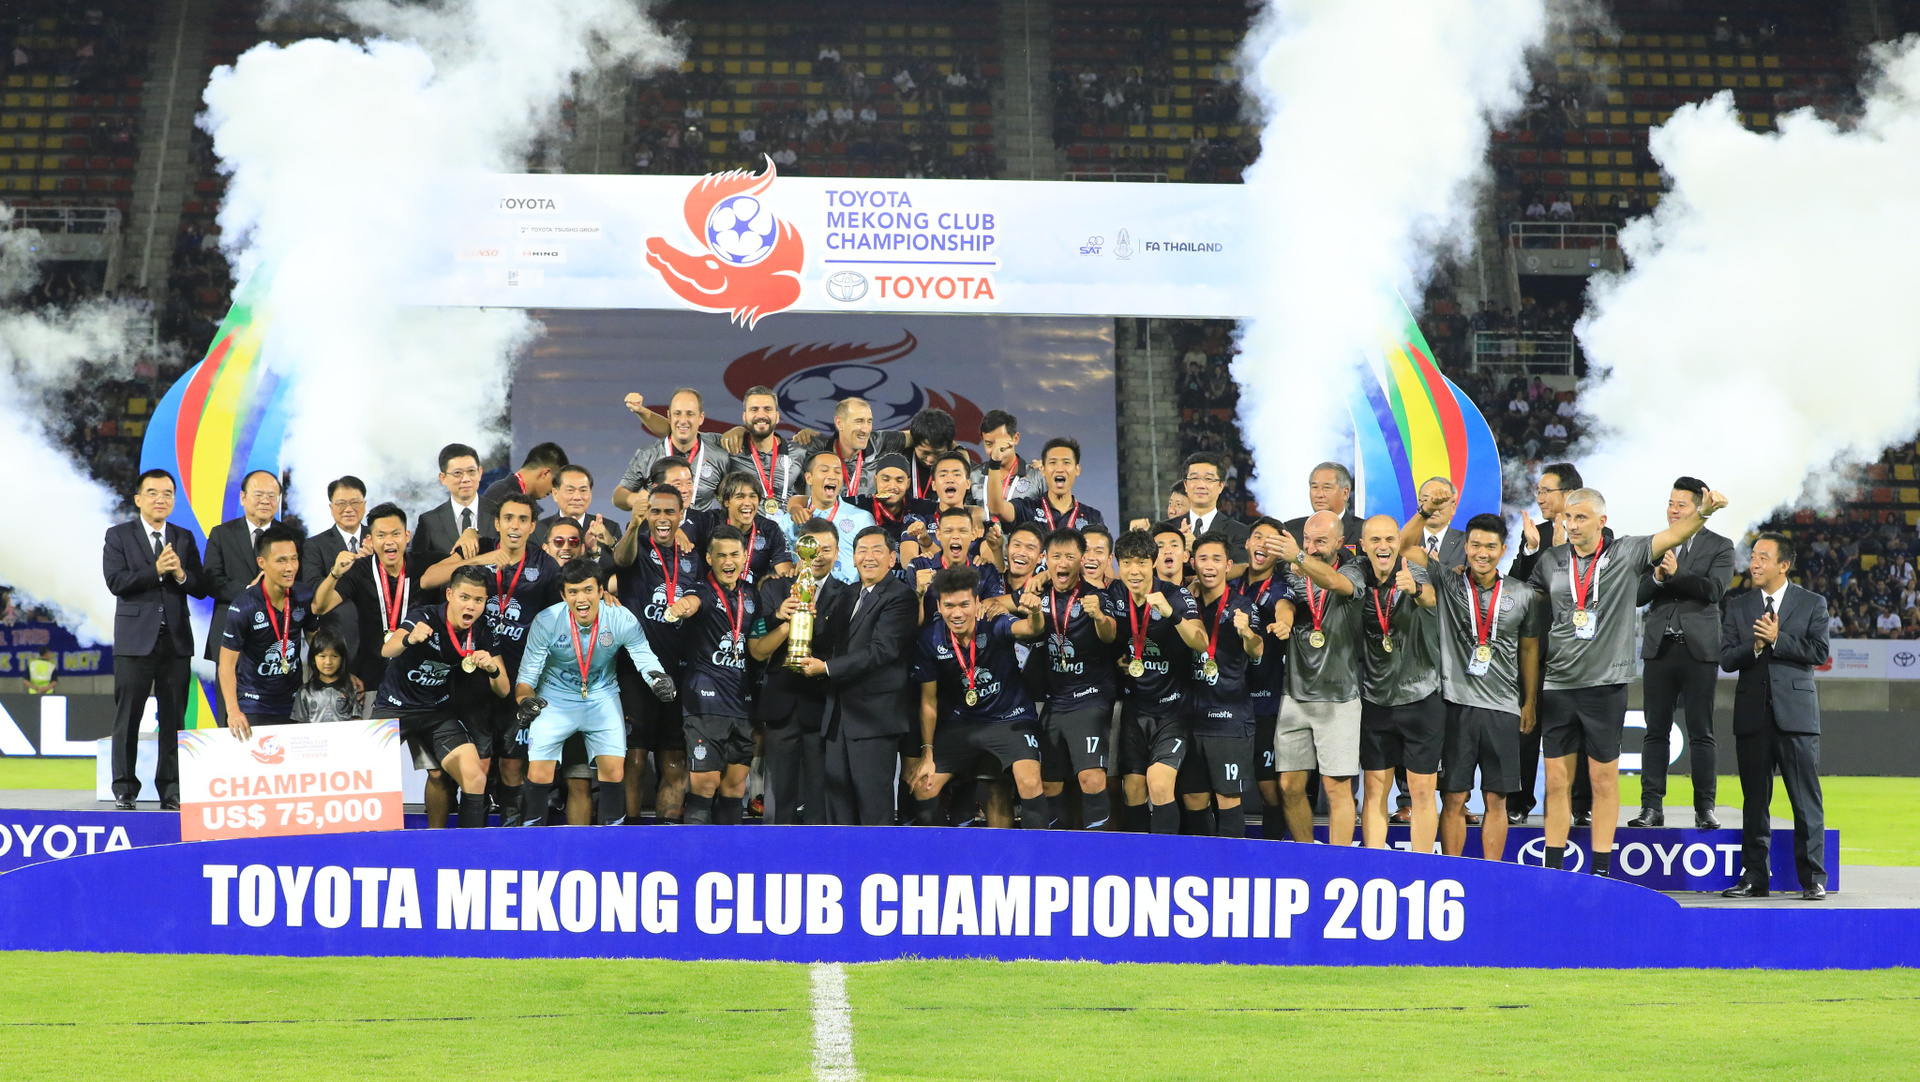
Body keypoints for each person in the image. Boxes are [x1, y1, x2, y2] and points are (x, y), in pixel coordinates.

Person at [1527, 485, 1726, 876]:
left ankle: (1601, 870)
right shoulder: (1551, 560)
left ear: (1602, 521)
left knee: (1603, 780)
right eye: (1569, 517)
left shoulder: (1626, 552)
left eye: (1581, 517)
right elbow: (1524, 600)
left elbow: (1673, 534)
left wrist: (1704, 512)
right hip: (1559, 685)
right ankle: (1552, 871)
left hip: (1605, 687)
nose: (1573, 525)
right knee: (1556, 782)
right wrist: (1528, 551)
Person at [1401, 507, 1540, 862]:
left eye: (1491, 547)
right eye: (1475, 545)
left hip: (1503, 707)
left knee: (1497, 798)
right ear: (1465, 546)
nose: (1482, 553)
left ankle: (1491, 875)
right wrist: (1424, 511)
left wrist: (1529, 702)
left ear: (1503, 549)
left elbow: (1529, 650)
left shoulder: (1522, 594)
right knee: (1453, 797)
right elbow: (1404, 546)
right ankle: (1454, 872)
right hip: (1455, 704)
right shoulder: (1448, 582)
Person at [423, 492, 563, 826]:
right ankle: (472, 841)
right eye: (508, 518)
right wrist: (484, 557)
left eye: (523, 520)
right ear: (497, 523)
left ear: (533, 526)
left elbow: (563, 610)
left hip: (518, 680)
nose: (515, 526)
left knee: (513, 766)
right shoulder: (478, 547)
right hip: (470, 680)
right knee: (478, 766)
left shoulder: (545, 566)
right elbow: (429, 579)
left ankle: (511, 838)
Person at [513, 558, 675, 827]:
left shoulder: (620, 618)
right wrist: (526, 701)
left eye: (588, 590)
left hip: (602, 697)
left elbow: (644, 656)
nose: (581, 599)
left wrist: (659, 679)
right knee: (539, 771)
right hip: (554, 700)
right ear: (563, 595)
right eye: (573, 592)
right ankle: (531, 843)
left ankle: (610, 843)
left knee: (613, 769)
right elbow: (527, 678)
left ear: (601, 590)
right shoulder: (547, 621)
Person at [312, 502, 445, 821]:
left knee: (438, 771)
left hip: (421, 686)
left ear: (407, 536)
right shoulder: (360, 571)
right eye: (381, 535)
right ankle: (371, 839)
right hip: (375, 683)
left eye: (396, 533)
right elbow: (319, 606)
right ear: (370, 540)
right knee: (370, 770)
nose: (389, 541)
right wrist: (334, 573)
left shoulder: (425, 565)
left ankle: (438, 838)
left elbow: (459, 563)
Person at [1720, 533, 1829, 900]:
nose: (1755, 563)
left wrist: (1778, 639)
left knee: (1805, 800)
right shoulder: (1738, 606)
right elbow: (1726, 658)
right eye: (1753, 556)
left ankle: (1813, 878)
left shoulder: (1812, 603)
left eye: (1763, 557)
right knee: (1754, 802)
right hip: (1752, 717)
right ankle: (1754, 877)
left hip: (1796, 716)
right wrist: (1754, 646)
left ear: (1784, 565)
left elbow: (1819, 651)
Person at [908, 566, 1050, 829]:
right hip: (963, 723)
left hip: (1010, 718)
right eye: (949, 606)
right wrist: (927, 752)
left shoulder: (993, 621)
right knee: (923, 787)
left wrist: (1035, 612)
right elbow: (929, 701)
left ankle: (1037, 852)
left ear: (976, 602)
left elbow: (1031, 629)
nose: (957, 613)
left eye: (964, 604)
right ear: (938, 606)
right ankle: (940, 852)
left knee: (1030, 782)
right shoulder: (931, 638)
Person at [794, 526, 917, 824]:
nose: (868, 557)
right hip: (837, 716)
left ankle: (877, 857)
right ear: (853, 558)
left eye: (877, 550)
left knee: (873, 809)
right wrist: (803, 617)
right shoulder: (848, 594)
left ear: (892, 559)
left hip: (874, 719)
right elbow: (831, 643)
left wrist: (826, 668)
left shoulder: (901, 596)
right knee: (838, 810)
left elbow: (882, 651)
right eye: (862, 550)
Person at [374, 565, 511, 828]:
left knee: (474, 776)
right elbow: (386, 650)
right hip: (393, 708)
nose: (471, 606)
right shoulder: (425, 616)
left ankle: (464, 847)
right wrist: (409, 639)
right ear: (449, 594)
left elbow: (503, 689)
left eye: (478, 600)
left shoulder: (482, 629)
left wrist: (492, 669)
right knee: (369, 773)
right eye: (464, 597)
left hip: (436, 712)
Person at [1633, 476, 1734, 829]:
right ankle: (1651, 807)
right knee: (1655, 731)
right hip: (1659, 649)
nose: (1673, 511)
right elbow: (1637, 596)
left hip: (1699, 651)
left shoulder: (1720, 546)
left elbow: (1715, 590)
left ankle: (1705, 808)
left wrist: (1677, 574)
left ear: (1699, 507)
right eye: (1670, 504)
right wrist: (1658, 579)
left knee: (1701, 732)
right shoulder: (1655, 544)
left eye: (1681, 505)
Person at [103, 468, 206, 810]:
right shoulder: (118, 535)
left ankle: (171, 788)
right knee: (128, 717)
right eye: (152, 493)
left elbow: (200, 586)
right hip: (135, 641)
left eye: (167, 494)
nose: (160, 499)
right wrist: (156, 571)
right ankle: (124, 787)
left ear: (174, 500)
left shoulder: (184, 537)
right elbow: (115, 582)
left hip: (176, 641)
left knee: (174, 720)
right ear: (138, 499)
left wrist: (181, 574)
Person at [1337, 515, 1440, 853]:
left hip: (1421, 697)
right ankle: (1373, 864)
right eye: (1375, 540)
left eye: (1390, 539)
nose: (1383, 546)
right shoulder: (1356, 570)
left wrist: (1415, 589)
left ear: (1399, 542)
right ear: (1363, 545)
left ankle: (1423, 867)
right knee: (1374, 788)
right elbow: (1340, 584)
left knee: (1422, 790)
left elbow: (1430, 598)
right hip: (1375, 699)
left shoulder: (1414, 570)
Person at [1271, 511, 1367, 846]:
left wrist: (1298, 556)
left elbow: (1336, 583)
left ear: (1340, 542)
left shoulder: (1355, 568)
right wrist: (1283, 619)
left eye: (1320, 541)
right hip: (1295, 694)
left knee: (1337, 788)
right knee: (1289, 786)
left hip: (1339, 697)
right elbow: (1285, 600)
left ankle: (1337, 864)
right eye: (1307, 540)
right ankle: (1307, 857)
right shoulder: (1289, 570)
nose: (1311, 547)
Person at [611, 482, 702, 825]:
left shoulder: (693, 555)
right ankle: (630, 831)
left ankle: (667, 833)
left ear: (681, 514)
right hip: (635, 671)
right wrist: (634, 525)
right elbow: (621, 559)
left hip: (680, 669)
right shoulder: (636, 544)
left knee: (675, 759)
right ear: (646, 513)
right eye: (655, 511)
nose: (662, 518)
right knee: (634, 759)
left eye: (669, 512)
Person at [1507, 461, 1592, 825]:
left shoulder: (1597, 535)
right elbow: (1515, 588)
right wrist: (1530, 552)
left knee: (1581, 730)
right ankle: (1519, 802)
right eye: (1538, 491)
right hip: (1538, 650)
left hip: (1580, 652)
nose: (1539, 497)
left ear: (1569, 494)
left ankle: (1581, 805)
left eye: (1546, 491)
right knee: (1527, 725)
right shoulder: (1535, 535)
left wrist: (1563, 553)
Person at [1108, 529, 1208, 834]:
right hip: (1135, 710)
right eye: (1127, 563)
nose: (1134, 571)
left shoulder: (1175, 595)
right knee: (1133, 789)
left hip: (1173, 711)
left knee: (1160, 784)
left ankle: (1167, 857)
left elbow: (1201, 642)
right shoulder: (1115, 593)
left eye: (1141, 562)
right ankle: (1140, 857)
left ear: (1152, 562)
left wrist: (1171, 615)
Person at [749, 518, 848, 824]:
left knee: (820, 792)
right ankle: (776, 847)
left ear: (837, 552)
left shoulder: (847, 594)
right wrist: (781, 619)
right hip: (781, 702)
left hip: (824, 705)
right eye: (811, 548)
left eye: (826, 549)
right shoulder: (774, 588)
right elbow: (756, 644)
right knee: (779, 793)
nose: (818, 555)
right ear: (799, 549)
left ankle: (818, 849)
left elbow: (844, 650)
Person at [1020, 527, 1118, 830]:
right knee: (1049, 782)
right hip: (1055, 701)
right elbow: (1005, 604)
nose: (1062, 563)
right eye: (1056, 556)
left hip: (1091, 697)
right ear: (1045, 559)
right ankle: (1057, 851)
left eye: (1070, 557)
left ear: (1081, 559)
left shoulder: (1096, 596)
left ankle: (1098, 851)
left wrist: (1098, 617)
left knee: (1092, 777)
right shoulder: (1037, 593)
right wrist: (992, 604)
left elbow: (1110, 634)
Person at [663, 525, 760, 824]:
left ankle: (728, 850)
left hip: (742, 702)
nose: (728, 562)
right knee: (705, 785)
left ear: (744, 557)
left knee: (735, 787)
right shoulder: (701, 589)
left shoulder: (751, 594)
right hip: (705, 701)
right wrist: (683, 607)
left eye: (734, 554)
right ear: (709, 558)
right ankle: (696, 849)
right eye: (721, 556)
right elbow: (692, 602)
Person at [1178, 531, 1266, 838]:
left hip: (1229, 719)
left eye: (1216, 559)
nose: (1209, 565)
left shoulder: (1242, 606)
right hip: (1190, 718)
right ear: (1193, 563)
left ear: (1228, 565)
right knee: (1193, 798)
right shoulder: (1186, 603)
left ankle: (1231, 863)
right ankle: (1201, 862)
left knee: (1228, 799)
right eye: (1203, 558)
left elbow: (1257, 650)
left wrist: (1247, 634)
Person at [218, 525, 318, 738]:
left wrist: (340, 675)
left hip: (294, 704)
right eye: (281, 560)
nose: (290, 567)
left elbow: (315, 640)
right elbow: (227, 664)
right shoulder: (243, 607)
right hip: (254, 705)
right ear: (261, 563)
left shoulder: (304, 595)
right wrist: (233, 711)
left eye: (294, 559)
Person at [202, 470, 288, 677]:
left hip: (276, 639)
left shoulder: (291, 537)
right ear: (243, 497)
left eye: (272, 496)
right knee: (229, 698)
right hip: (231, 635)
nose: (265, 501)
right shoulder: (221, 534)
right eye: (258, 495)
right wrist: (250, 590)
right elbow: (211, 580)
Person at [1238, 517, 1294, 830]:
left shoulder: (1280, 586)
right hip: (1228, 698)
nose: (1262, 544)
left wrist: (1284, 623)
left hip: (1265, 701)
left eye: (1271, 541)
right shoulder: (1229, 582)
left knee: (1268, 786)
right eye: (1258, 537)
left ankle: (1275, 849)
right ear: (1247, 543)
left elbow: (1285, 607)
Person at [616, 388, 728, 511]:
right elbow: (618, 496)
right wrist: (634, 498)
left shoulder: (718, 456)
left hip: (702, 524)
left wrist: (739, 431)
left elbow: (731, 497)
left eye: (690, 414)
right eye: (677, 413)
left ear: (701, 418)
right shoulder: (648, 455)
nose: (683, 420)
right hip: (659, 523)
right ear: (669, 416)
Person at [777, 450, 875, 584]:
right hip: (804, 592)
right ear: (809, 478)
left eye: (837, 472)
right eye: (824, 470)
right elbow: (781, 562)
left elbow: (871, 564)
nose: (832, 476)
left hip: (847, 594)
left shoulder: (862, 519)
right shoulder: (789, 521)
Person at [299, 476, 369, 663]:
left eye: (355, 502)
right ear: (331, 508)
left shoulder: (379, 540)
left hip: (379, 640)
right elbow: (314, 593)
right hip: (337, 642)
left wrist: (374, 562)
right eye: (341, 503)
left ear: (364, 505)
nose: (349, 509)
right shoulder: (315, 545)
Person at [685, 472, 794, 585]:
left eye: (752, 496)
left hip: (752, 594)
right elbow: (680, 536)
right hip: (711, 593)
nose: (747, 503)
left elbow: (785, 573)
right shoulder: (708, 521)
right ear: (727, 501)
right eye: (740, 497)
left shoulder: (770, 529)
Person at [910, 506, 1008, 623]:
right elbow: (911, 626)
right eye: (948, 531)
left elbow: (996, 611)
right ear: (938, 535)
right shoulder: (919, 567)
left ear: (973, 534)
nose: (955, 536)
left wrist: (994, 608)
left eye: (962, 531)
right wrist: (919, 594)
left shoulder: (986, 571)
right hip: (930, 635)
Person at [991, 436, 1105, 532]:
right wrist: (995, 463)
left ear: (1077, 470)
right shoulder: (1026, 509)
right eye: (1053, 462)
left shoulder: (1093, 517)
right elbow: (997, 509)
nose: (1059, 469)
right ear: (1043, 470)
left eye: (1066, 462)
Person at [730, 384, 802, 512]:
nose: (761, 415)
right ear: (744, 416)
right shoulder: (731, 451)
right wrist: (735, 430)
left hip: (783, 524)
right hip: (745, 524)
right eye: (754, 409)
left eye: (767, 409)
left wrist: (797, 507)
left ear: (777, 416)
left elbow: (810, 494)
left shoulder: (798, 452)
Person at [1167, 452, 1249, 563]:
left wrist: (1196, 547)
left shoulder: (1239, 532)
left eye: (1209, 479)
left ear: (1221, 486)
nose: (1200, 485)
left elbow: (1238, 568)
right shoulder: (1168, 529)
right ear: (1185, 484)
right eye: (1194, 478)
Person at [479, 441, 568, 540]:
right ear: (545, 473)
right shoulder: (499, 493)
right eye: (555, 482)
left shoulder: (525, 500)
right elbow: (489, 542)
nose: (554, 490)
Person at [410, 443, 484, 561]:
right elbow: (418, 566)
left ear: (480, 473)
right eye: (457, 473)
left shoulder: (499, 513)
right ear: (443, 478)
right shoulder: (429, 522)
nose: (466, 479)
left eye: (471, 471)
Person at [534, 464, 621, 557]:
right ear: (555, 494)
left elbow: (619, 564)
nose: (577, 497)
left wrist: (597, 550)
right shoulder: (537, 530)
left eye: (583, 490)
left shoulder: (610, 528)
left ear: (590, 494)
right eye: (570, 490)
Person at [1281, 462, 1365, 552]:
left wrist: (1299, 557)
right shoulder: (1291, 530)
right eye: (1314, 487)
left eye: (1327, 487)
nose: (1319, 494)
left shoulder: (1363, 531)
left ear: (1345, 493)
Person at [970, 409, 1044, 508]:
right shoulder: (974, 475)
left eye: (1001, 444)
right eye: (989, 444)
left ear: (1015, 439)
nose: (996, 452)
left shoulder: (1037, 475)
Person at [290, 628, 360, 723]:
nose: (328, 662)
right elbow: (300, 725)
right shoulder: (304, 692)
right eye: (322, 656)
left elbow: (357, 721)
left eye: (334, 656)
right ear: (313, 659)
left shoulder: (351, 688)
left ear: (342, 659)